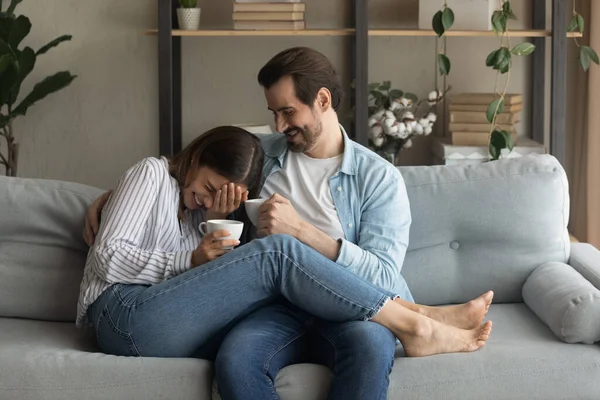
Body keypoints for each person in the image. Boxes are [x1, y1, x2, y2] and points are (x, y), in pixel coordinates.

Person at [82, 55, 493, 397]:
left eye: (288, 112)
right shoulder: (260, 154)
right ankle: (417, 317)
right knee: (237, 359)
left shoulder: (379, 178)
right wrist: (112, 198)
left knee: (366, 347)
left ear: (323, 101)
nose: (278, 125)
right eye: (273, 114)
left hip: (347, 312)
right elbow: (193, 164)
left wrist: (303, 232)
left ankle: (414, 321)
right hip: (274, 309)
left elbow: (385, 275)